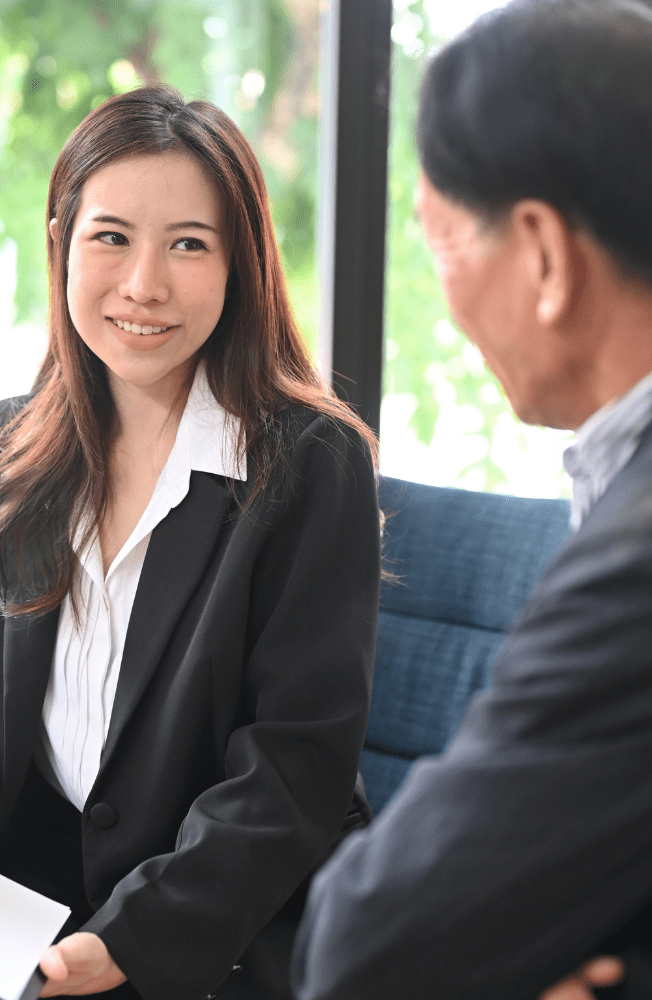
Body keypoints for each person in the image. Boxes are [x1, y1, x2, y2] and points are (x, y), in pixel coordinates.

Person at [0, 85, 382, 1000]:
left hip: (218, 910)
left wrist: (134, 942)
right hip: (35, 888)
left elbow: (291, 776)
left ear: (241, 265)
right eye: (111, 236)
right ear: (61, 243)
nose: (144, 284)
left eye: (188, 244)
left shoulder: (310, 465)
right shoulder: (0, 450)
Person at [291, 1, 652, 998]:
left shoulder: (634, 561)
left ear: (541, 254)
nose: (445, 308)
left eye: (441, 243)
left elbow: (362, 944)